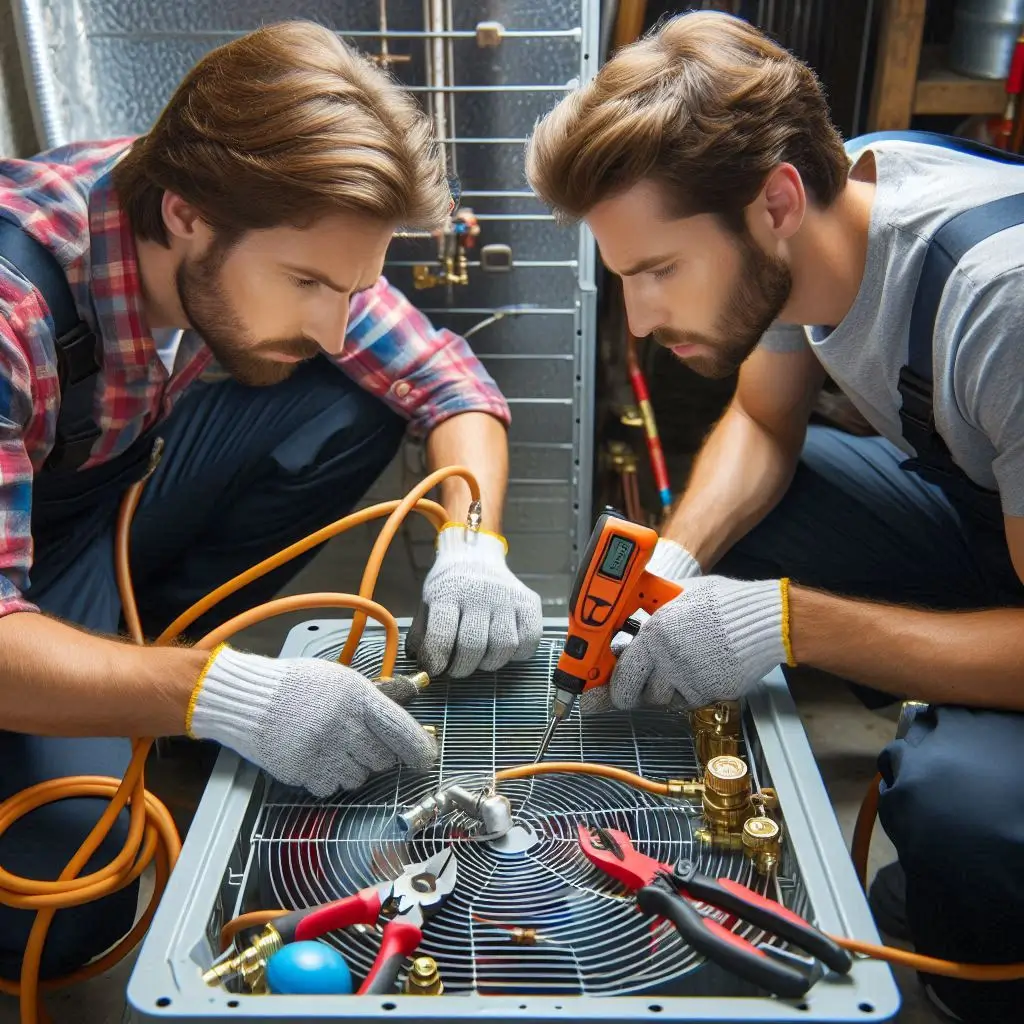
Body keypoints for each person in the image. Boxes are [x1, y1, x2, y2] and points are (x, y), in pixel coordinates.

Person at [0, 21, 542, 979]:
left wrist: (471, 540)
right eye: (307, 283)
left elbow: (449, 383)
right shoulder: (14, 309)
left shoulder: (255, 213)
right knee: (67, 901)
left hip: (81, 507)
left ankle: (136, 657)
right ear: (184, 216)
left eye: (353, 286)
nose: (336, 326)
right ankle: (136, 684)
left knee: (347, 399)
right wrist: (223, 691)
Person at [527, 11, 1024, 1024]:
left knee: (959, 808)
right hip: (996, 528)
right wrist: (668, 567)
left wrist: (786, 622)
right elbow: (763, 419)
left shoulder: (999, 303)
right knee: (744, 519)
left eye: (657, 270)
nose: (643, 322)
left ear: (775, 202)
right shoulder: (832, 217)